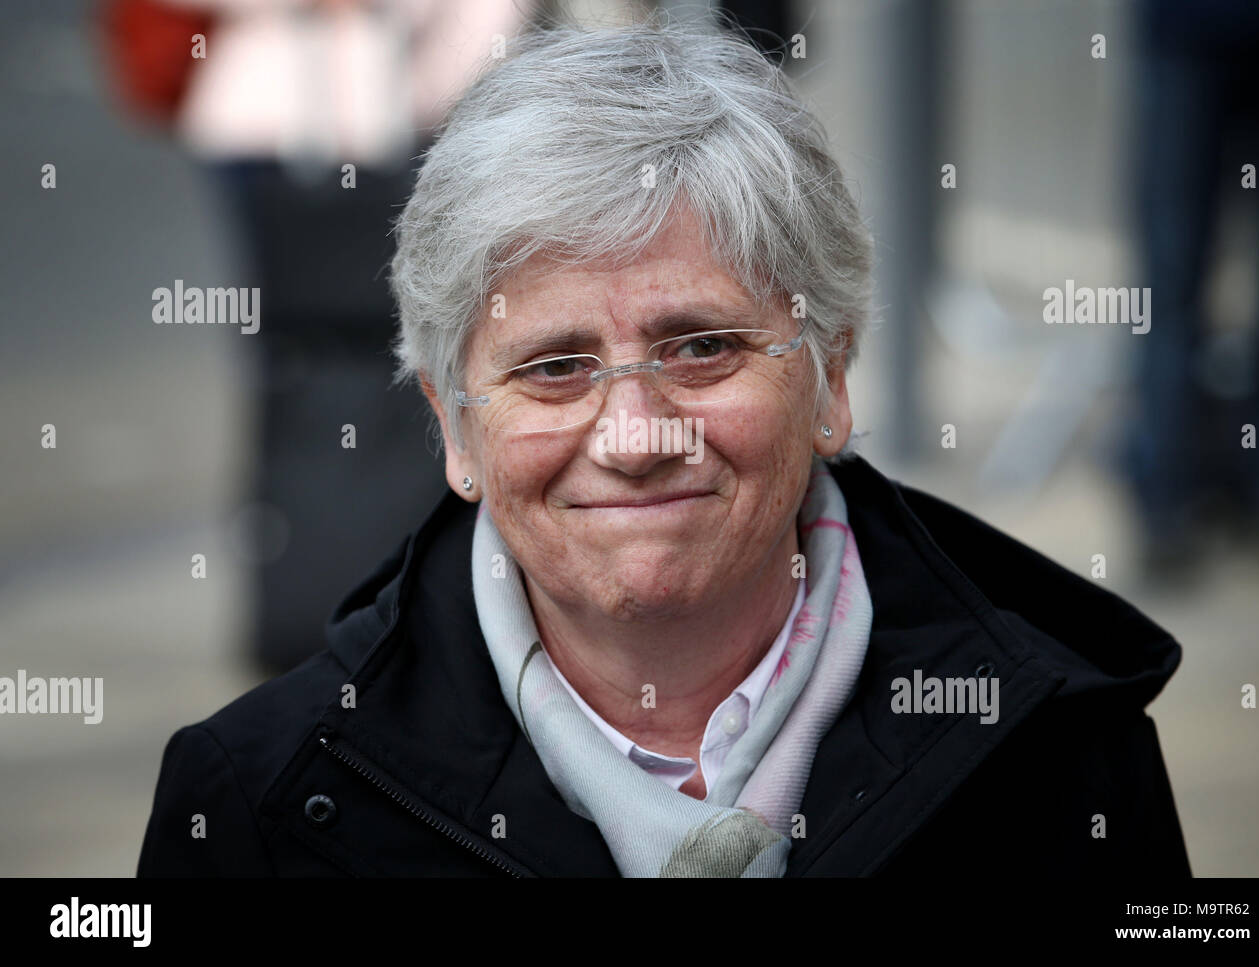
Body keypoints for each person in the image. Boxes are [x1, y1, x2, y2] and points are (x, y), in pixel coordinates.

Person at [138, 19, 1190, 877]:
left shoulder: (1062, 745)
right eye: (554, 366)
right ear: (455, 424)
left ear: (830, 379)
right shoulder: (255, 808)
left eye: (703, 348)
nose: (635, 437)